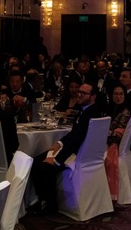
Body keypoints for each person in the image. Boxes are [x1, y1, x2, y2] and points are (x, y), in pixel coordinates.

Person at [29, 81, 108, 215]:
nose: (79, 95)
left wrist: (57, 160)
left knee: (42, 165)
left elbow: (77, 140)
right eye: (79, 92)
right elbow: (73, 134)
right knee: (36, 160)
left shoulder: (90, 113)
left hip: (77, 155)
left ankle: (50, 205)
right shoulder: (87, 110)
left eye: (84, 93)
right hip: (78, 151)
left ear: (93, 96)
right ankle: (42, 201)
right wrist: (59, 143)